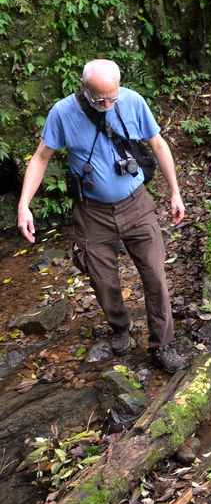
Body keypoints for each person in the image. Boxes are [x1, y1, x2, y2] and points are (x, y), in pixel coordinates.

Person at [17, 59, 186, 374]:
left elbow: (159, 146)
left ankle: (162, 345)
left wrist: (176, 192)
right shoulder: (63, 113)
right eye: (100, 100)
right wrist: (24, 204)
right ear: (84, 87)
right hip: (92, 211)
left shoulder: (133, 101)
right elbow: (40, 159)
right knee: (103, 278)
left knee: (155, 276)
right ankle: (120, 325)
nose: (108, 105)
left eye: (113, 97)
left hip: (136, 204)